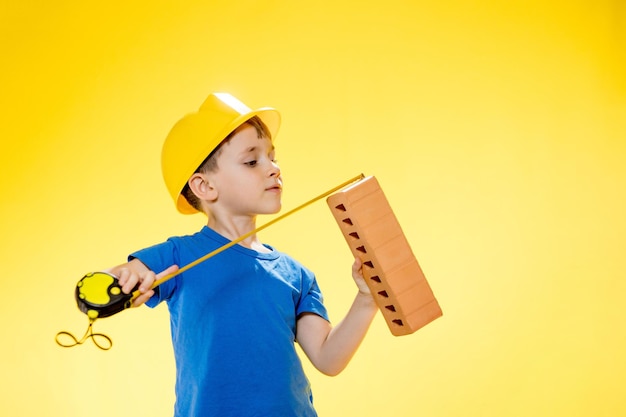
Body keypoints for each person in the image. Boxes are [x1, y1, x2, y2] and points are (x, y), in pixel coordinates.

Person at [106, 92, 377, 416]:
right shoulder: (180, 254)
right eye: (252, 161)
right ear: (205, 187)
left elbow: (328, 358)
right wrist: (125, 279)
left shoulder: (296, 275)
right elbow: (119, 275)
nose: (274, 169)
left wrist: (366, 298)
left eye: (272, 157)